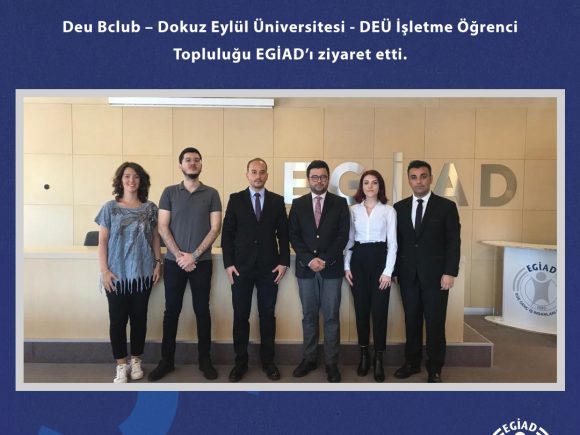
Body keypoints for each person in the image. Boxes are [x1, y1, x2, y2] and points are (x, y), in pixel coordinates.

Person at [148, 147, 222, 382]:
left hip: (202, 263)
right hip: (173, 263)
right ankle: (166, 361)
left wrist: (194, 256)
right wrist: (180, 256)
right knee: (171, 311)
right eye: (188, 160)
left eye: (196, 160)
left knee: (202, 311)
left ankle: (205, 360)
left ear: (201, 165)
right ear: (180, 165)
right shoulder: (169, 192)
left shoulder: (212, 193)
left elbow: (215, 228)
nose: (192, 163)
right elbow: (162, 227)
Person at [221, 158, 290, 382]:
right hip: (241, 269)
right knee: (241, 315)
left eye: (261, 172)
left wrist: (284, 261)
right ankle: (240, 363)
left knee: (267, 315)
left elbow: (284, 234)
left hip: (269, 268)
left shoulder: (277, 201)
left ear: (267, 175)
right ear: (247, 175)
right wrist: (228, 263)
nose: (258, 176)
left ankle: (268, 361)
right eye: (253, 172)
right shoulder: (236, 199)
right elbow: (227, 234)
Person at [392, 160, 460, 383]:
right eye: (414, 177)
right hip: (407, 276)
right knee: (411, 321)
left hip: (437, 277)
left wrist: (450, 272)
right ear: (409, 180)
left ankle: (435, 367)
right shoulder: (399, 208)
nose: (419, 181)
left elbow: (453, 242)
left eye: (423, 176)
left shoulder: (446, 207)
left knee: (435, 323)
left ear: (430, 178)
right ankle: (412, 362)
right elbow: (396, 243)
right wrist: (395, 270)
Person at [95, 162, 162, 383]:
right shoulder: (109, 208)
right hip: (116, 276)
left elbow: (155, 237)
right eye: (127, 176)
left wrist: (158, 263)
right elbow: (102, 242)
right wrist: (104, 271)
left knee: (139, 319)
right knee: (117, 321)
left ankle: (136, 360)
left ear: (141, 181)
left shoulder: (150, 208)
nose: (131, 180)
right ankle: (121, 365)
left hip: (143, 274)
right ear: (120, 180)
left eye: (136, 177)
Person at [289, 160, 350, 383]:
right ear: (308, 179)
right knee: (309, 316)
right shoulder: (298, 204)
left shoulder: (340, 203)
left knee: (332, 316)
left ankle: (332, 362)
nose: (319, 180)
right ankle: (309, 358)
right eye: (314, 177)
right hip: (306, 270)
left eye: (323, 176)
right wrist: (308, 259)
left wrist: (324, 259)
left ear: (328, 178)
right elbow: (293, 235)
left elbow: (343, 236)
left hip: (331, 269)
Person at [344, 170, 397, 382]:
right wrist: (346, 267)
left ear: (379, 186)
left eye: (374, 182)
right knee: (361, 310)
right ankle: (364, 355)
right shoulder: (353, 210)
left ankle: (378, 358)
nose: (370, 186)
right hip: (358, 262)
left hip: (380, 261)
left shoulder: (388, 211)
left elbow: (393, 244)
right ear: (361, 187)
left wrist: (388, 272)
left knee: (380, 311)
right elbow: (349, 241)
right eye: (366, 182)